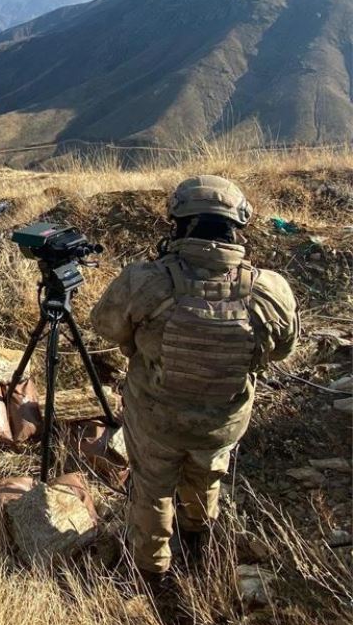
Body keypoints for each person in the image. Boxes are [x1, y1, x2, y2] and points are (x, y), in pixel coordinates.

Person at [90, 175, 299, 577]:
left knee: (151, 491)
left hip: (157, 420)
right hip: (222, 423)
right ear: (237, 227)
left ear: (179, 223)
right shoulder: (271, 289)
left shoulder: (144, 281)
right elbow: (283, 350)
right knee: (207, 477)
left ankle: (153, 574)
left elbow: (106, 325)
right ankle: (198, 540)